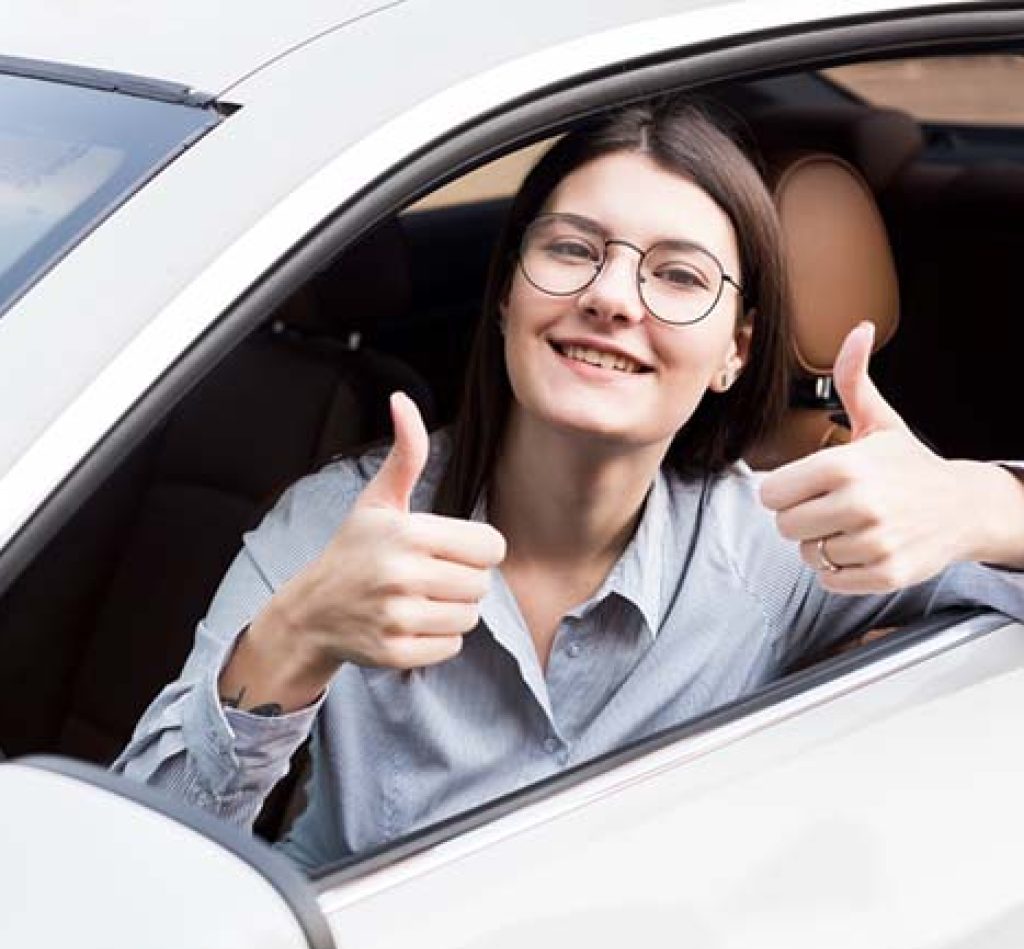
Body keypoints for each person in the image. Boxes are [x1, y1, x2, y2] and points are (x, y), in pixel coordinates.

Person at [113, 100, 1024, 870]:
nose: (614, 298)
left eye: (677, 274)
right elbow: (132, 877)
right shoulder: (339, 528)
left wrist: (983, 505)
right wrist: (292, 643)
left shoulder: (779, 545)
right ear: (507, 293)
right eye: (571, 250)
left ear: (733, 354)